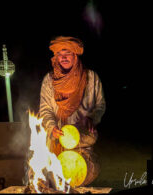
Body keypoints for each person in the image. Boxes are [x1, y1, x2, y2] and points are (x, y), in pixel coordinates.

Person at [39, 36, 106, 186]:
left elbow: (100, 105)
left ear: (75, 55)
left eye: (67, 53)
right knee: (55, 184)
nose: (63, 57)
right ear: (55, 57)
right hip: (57, 142)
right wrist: (51, 126)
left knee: (80, 181)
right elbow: (45, 109)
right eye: (59, 54)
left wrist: (92, 118)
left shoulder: (90, 77)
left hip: (82, 140)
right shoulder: (49, 80)